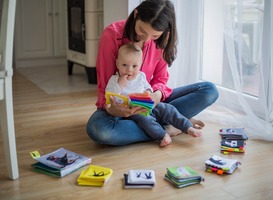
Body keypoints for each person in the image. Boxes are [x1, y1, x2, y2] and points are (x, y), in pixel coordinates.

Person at [86, 0, 219, 146]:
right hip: (122, 107)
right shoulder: (112, 35)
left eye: (154, 36)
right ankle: (169, 126)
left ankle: (162, 125)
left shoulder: (162, 39)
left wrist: (156, 95)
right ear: (136, 14)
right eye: (142, 31)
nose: (147, 39)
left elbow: (161, 79)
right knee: (99, 130)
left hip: (150, 103)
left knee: (209, 90)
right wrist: (112, 109)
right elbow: (105, 87)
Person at [106, 43, 202, 147]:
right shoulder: (114, 80)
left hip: (148, 104)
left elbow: (148, 86)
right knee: (146, 121)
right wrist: (119, 85)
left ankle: (188, 127)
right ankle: (163, 135)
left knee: (169, 109)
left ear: (140, 65)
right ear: (117, 63)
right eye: (124, 65)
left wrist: (148, 92)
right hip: (134, 111)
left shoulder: (141, 76)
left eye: (134, 66)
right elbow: (110, 95)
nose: (129, 70)